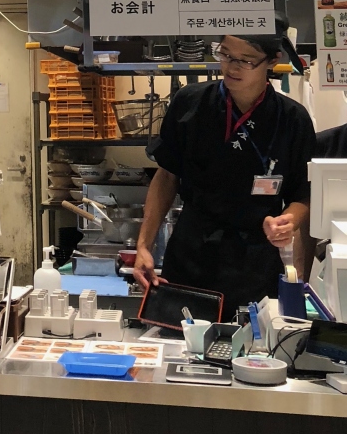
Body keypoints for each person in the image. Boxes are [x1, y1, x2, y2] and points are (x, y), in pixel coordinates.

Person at [134, 33, 316, 318]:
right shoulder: (190, 103)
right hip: (191, 253)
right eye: (226, 55)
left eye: (246, 60)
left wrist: (287, 221)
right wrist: (144, 244)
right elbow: (167, 175)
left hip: (255, 260)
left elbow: (303, 194)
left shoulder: (293, 119)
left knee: (254, 340)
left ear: (272, 61)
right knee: (179, 338)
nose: (232, 67)